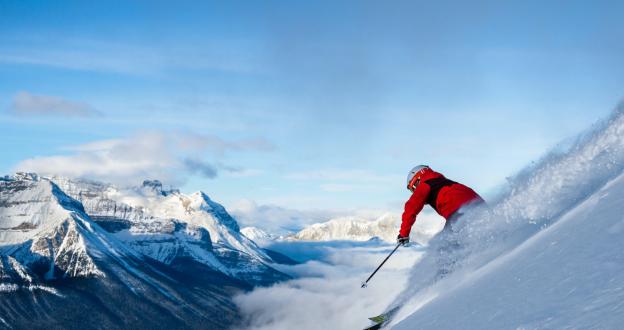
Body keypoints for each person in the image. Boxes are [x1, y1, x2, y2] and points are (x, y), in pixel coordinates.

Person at [397, 165, 484, 245]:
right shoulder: (447, 183)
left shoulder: (425, 184)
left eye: (413, 189)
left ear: (417, 181)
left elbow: (411, 207)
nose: (414, 192)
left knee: (443, 247)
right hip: (480, 208)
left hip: (459, 213)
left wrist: (403, 234)